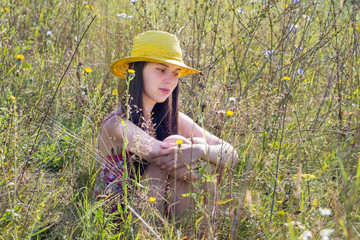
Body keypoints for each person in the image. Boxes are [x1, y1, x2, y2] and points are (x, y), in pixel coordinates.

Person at [94, 30, 239, 219]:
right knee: (176, 151)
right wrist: (206, 163)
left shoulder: (172, 117)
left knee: (192, 154)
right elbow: (162, 154)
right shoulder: (117, 124)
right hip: (120, 221)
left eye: (175, 73)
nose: (170, 80)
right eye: (161, 70)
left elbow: (232, 154)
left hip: (160, 210)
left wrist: (201, 151)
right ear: (136, 70)